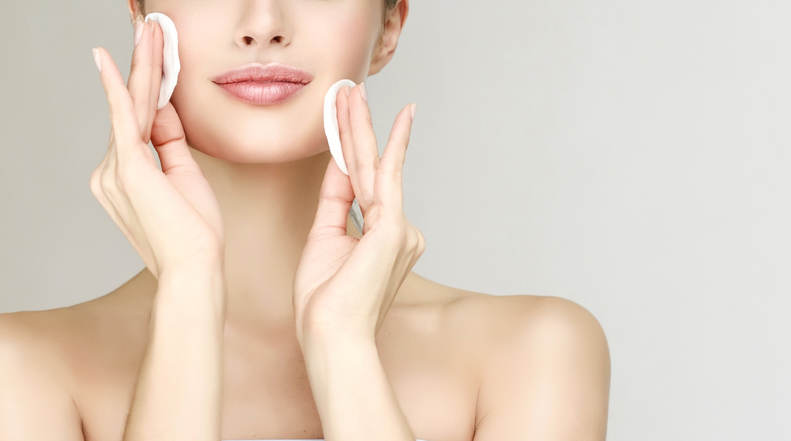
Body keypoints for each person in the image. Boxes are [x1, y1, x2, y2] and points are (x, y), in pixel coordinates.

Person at [0, 0, 611, 440]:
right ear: (140, 16)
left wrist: (344, 349)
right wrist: (187, 292)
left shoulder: (532, 353)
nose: (262, 24)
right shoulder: (24, 369)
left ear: (388, 25)